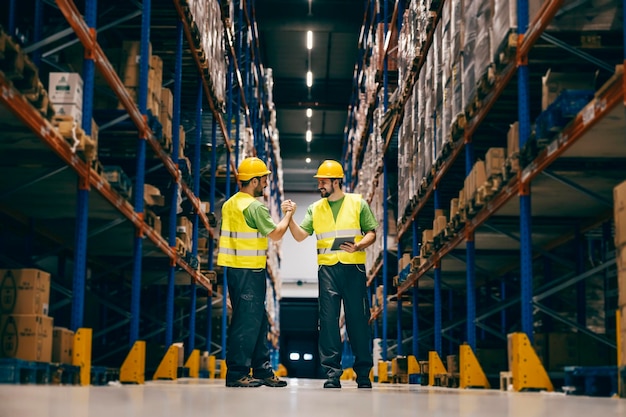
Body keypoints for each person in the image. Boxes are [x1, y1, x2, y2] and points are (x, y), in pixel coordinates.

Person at [282, 159, 378, 389]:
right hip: (327, 271)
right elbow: (299, 236)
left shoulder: (357, 203)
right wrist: (291, 217)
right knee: (327, 322)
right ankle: (332, 374)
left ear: (336, 181)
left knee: (358, 322)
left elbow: (372, 233)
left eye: (323, 181)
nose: (320, 186)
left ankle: (363, 374)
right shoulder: (316, 209)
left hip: (353, 269)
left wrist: (359, 246)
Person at [217, 157, 294, 388]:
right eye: (263, 179)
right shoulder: (254, 206)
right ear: (253, 181)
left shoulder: (230, 203)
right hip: (248, 271)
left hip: (237, 269)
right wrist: (288, 213)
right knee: (246, 323)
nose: (266, 184)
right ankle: (237, 372)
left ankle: (261, 369)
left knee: (258, 321)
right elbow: (277, 233)